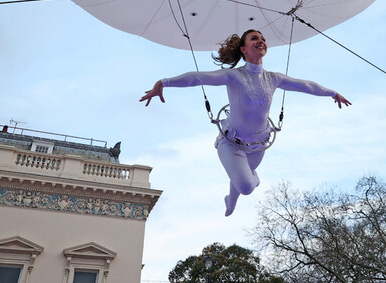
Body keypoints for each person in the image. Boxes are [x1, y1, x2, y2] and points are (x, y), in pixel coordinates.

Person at [141, 29, 351, 216]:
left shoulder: (274, 78)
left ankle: (230, 200)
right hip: (231, 142)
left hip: (259, 144)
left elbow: (305, 85)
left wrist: (331, 93)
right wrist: (163, 83)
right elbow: (197, 78)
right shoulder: (233, 76)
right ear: (243, 49)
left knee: (240, 182)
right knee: (247, 185)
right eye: (254, 39)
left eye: (262, 39)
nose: (261, 41)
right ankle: (245, 186)